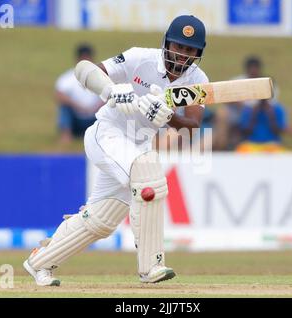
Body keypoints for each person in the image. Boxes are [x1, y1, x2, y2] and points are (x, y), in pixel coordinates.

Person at [23, 15, 209, 286]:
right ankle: (151, 266)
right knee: (147, 170)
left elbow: (192, 126)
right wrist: (111, 90)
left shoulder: (197, 79)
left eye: (189, 50)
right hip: (107, 134)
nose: (182, 55)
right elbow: (84, 70)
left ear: (197, 54)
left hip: (137, 145)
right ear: (166, 43)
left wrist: (168, 116)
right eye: (178, 47)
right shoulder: (139, 58)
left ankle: (39, 262)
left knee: (103, 219)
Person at [213, 56, 267, 151]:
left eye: (255, 68)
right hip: (236, 112)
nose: (253, 71)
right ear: (247, 69)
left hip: (254, 115)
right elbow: (224, 98)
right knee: (222, 113)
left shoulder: (264, 83)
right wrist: (237, 102)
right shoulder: (237, 80)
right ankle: (220, 144)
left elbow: (269, 105)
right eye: (251, 68)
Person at [55, 44, 103, 145]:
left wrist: (95, 107)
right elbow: (59, 95)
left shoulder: (101, 76)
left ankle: (104, 136)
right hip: (76, 117)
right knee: (65, 108)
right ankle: (66, 136)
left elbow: (109, 95)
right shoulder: (68, 77)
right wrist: (77, 106)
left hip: (95, 116)